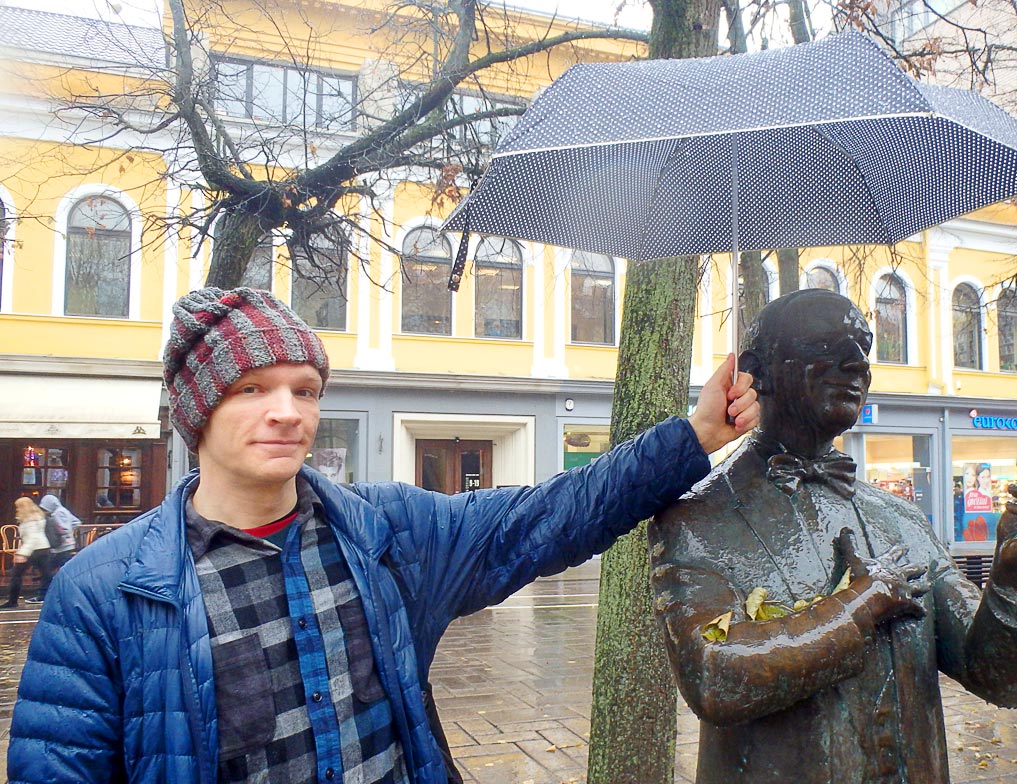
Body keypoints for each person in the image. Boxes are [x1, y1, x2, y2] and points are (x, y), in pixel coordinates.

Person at [9, 286, 759, 784]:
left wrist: (697, 434)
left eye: (304, 390)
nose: (287, 412)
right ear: (197, 411)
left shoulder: (387, 535)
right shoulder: (104, 593)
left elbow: (551, 515)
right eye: (252, 389)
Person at [649, 289, 1017, 784]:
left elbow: (1001, 680)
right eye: (826, 346)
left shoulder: (901, 520)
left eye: (863, 348)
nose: (856, 364)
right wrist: (858, 604)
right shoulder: (697, 518)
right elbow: (714, 676)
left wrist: (1011, 573)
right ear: (756, 372)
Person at [3, 497, 55, 607]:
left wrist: (22, 553)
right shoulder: (39, 518)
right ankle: (51, 596)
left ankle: (12, 601)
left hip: (33, 550)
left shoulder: (28, 521)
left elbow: (31, 539)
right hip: (44, 548)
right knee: (46, 574)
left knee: (16, 575)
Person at [39, 493, 80, 570]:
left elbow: (64, 528)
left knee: (51, 569)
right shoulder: (63, 510)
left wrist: (59, 533)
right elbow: (76, 522)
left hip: (61, 546)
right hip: (67, 545)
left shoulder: (57, 513)